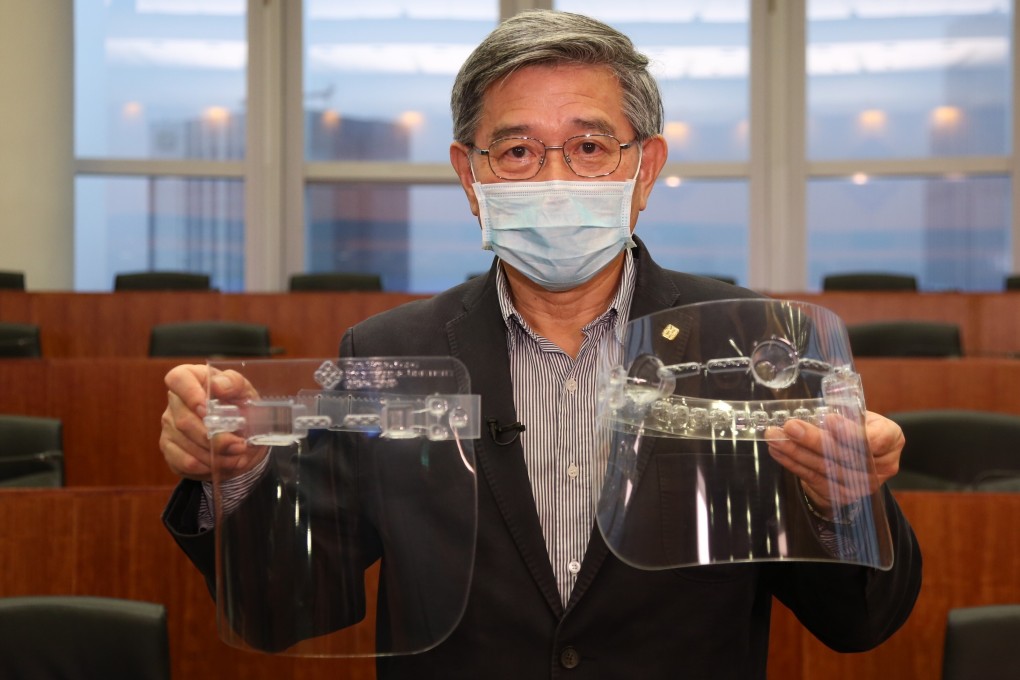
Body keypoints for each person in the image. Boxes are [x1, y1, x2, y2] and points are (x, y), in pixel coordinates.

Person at [160, 10, 922, 678]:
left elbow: (858, 623)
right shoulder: (390, 351)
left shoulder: (750, 348)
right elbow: (286, 607)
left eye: (590, 147)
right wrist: (240, 477)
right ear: (469, 175)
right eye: (517, 152)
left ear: (645, 168)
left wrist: (841, 499)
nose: (554, 178)